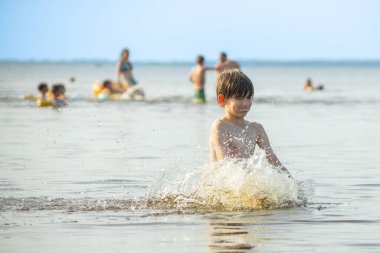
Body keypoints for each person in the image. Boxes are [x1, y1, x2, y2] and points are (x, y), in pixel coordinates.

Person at [209, 69, 290, 175]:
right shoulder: (220, 126)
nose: (245, 103)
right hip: (224, 183)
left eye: (249, 97)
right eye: (239, 97)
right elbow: (224, 166)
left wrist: (291, 182)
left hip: (244, 180)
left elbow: (273, 161)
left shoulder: (256, 128)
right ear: (222, 100)